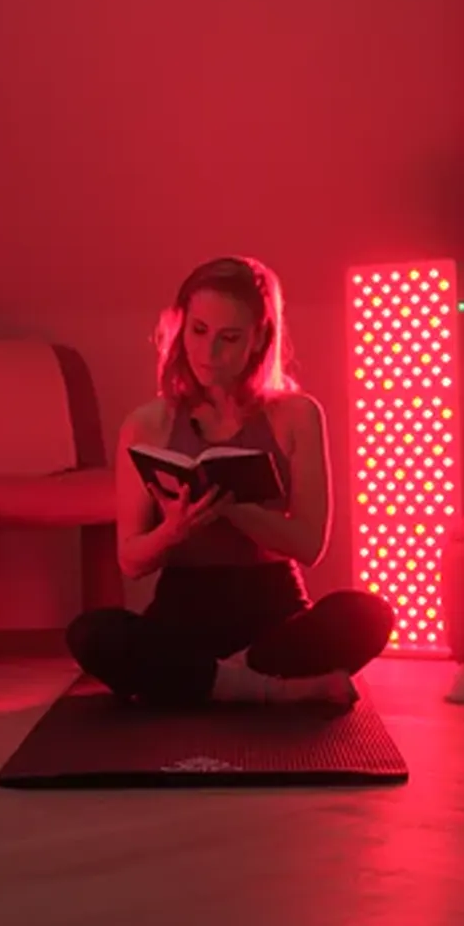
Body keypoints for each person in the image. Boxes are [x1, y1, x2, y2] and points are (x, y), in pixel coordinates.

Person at [66, 256, 394, 710]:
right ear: (180, 326)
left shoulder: (296, 414)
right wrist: (173, 530)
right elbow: (131, 560)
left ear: (258, 338)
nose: (209, 352)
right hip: (181, 610)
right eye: (199, 331)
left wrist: (233, 507)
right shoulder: (146, 424)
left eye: (229, 337)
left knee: (367, 614)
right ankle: (267, 689)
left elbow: (309, 544)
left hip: (271, 610)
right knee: (91, 634)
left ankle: (211, 682)